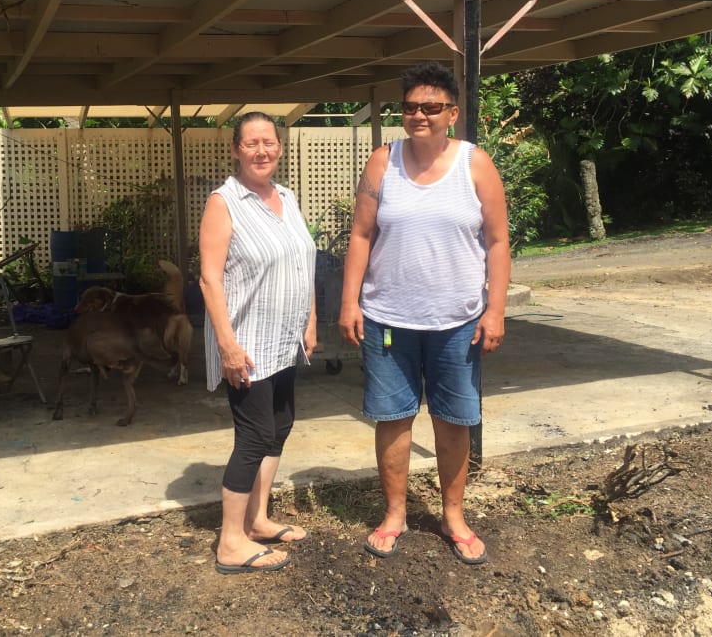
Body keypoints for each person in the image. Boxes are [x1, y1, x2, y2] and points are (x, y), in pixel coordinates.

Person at [338, 61, 510, 565]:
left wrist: (495, 310)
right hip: (388, 318)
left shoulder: (475, 164)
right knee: (392, 418)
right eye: (411, 107)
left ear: (451, 114)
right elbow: (361, 235)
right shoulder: (382, 162)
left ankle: (453, 515)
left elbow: (498, 242)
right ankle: (395, 514)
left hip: (458, 320)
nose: (419, 115)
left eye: (431, 107)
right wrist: (349, 302)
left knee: (454, 421)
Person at [198, 111, 318, 575]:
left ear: (280, 147)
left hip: (284, 340)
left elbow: (302, 262)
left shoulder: (287, 196)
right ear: (235, 149)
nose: (262, 150)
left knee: (280, 424)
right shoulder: (223, 203)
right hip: (246, 343)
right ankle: (231, 541)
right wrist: (226, 345)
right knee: (253, 435)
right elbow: (210, 279)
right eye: (251, 143)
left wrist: (309, 321)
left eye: (269, 142)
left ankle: (258, 519)